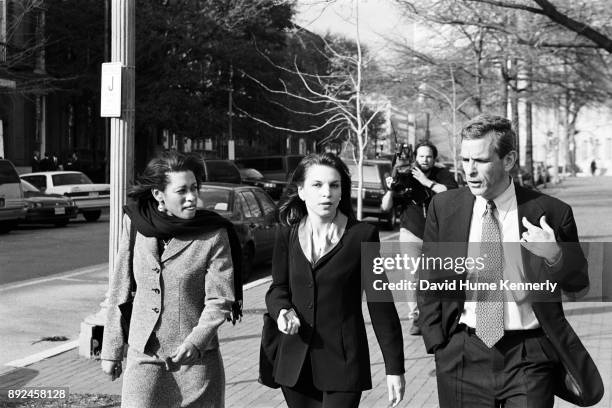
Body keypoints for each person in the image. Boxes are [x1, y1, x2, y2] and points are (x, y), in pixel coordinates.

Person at [417, 114, 603, 407]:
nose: (470, 171)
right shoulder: (444, 207)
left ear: (508, 159)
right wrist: (438, 343)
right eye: (465, 160)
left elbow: (578, 284)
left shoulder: (551, 213)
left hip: (528, 357)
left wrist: (555, 255)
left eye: (479, 161)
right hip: (462, 353)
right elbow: (429, 279)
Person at [100, 150, 240, 408]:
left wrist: (196, 342)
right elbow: (120, 288)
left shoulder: (213, 233)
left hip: (195, 363)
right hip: (144, 356)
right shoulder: (136, 225)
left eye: (194, 188)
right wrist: (111, 350)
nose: (191, 198)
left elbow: (220, 299)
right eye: (181, 191)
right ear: (159, 195)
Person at [265, 152, 405, 408]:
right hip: (295, 362)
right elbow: (278, 288)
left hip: (344, 363)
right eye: (317, 185)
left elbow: (380, 302)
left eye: (334, 185)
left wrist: (394, 367)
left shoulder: (362, 235)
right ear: (302, 191)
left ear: (342, 191)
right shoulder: (287, 233)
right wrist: (282, 310)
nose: (326, 193)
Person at [386, 141, 457, 335]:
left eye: (429, 157)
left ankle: (437, 315)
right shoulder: (405, 175)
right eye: (421, 156)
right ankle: (416, 317)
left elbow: (453, 194)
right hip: (410, 234)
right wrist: (391, 186)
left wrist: (427, 183)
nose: (424, 160)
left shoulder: (442, 175)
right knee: (412, 276)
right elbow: (386, 206)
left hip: (437, 235)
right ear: (415, 157)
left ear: (434, 159)